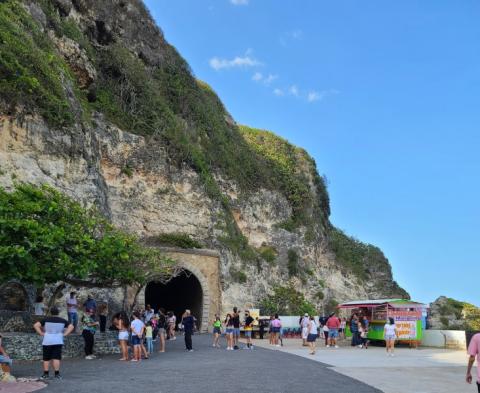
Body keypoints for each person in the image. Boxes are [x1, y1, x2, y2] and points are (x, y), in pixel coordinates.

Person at [33, 306, 74, 380]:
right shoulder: (62, 320)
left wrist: (41, 333)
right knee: (56, 357)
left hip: (47, 340)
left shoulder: (46, 319)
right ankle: (57, 374)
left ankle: (45, 374)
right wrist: (65, 334)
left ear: (50, 312)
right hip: (58, 340)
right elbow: (71, 326)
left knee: (46, 358)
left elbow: (35, 325)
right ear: (58, 312)